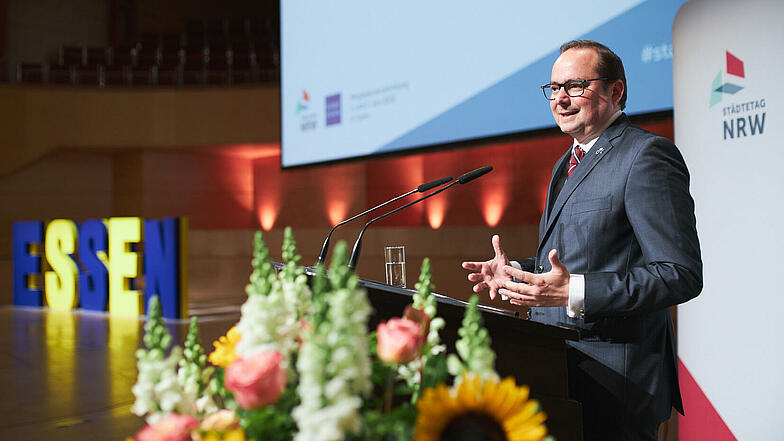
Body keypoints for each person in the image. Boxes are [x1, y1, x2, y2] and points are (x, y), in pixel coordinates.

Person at [462, 40, 702, 441]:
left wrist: (573, 290)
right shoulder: (567, 161)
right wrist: (518, 271)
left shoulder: (647, 156)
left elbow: (679, 274)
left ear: (616, 91)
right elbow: (574, 256)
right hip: (558, 371)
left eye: (575, 86)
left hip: (617, 381)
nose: (560, 99)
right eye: (553, 88)